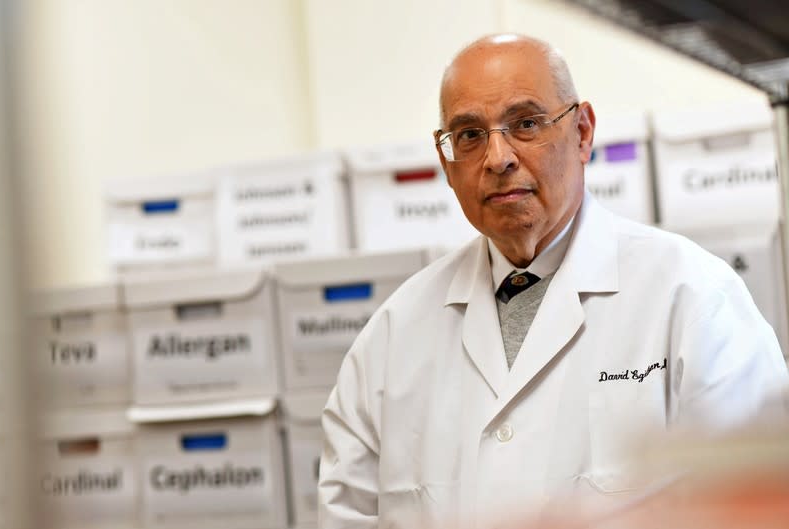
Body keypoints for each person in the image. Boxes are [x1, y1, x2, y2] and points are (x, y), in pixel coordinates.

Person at [318, 34, 789, 529]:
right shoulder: (391, 338)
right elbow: (345, 514)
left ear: (582, 132)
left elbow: (757, 506)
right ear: (447, 164)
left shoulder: (693, 298)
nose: (497, 158)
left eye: (525, 124)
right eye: (470, 135)